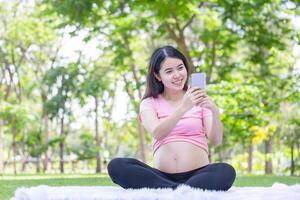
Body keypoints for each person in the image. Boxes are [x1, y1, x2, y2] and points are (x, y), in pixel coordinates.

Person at [107, 45, 236, 190]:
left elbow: (216, 140)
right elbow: (157, 132)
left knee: (226, 171)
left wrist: (214, 111)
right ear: (157, 76)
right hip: (160, 176)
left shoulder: (199, 100)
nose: (177, 75)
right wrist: (183, 108)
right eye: (169, 71)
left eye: (180, 68)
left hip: (199, 174)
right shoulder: (149, 103)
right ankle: (181, 190)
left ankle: (169, 191)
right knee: (117, 166)